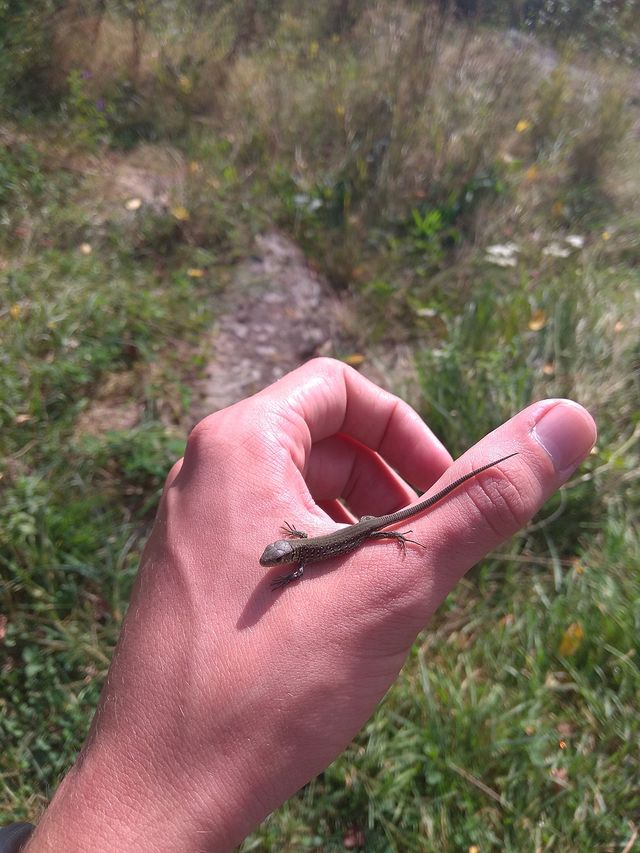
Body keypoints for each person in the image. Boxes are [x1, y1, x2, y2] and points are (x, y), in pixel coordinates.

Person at [4, 358, 597, 852]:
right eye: (276, 558)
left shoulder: (303, 558)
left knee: (389, 525)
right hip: (357, 528)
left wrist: (383, 534)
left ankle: (405, 528)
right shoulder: (297, 553)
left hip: (368, 531)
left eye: (276, 559)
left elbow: (317, 554)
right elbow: (296, 552)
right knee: (384, 522)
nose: (274, 564)